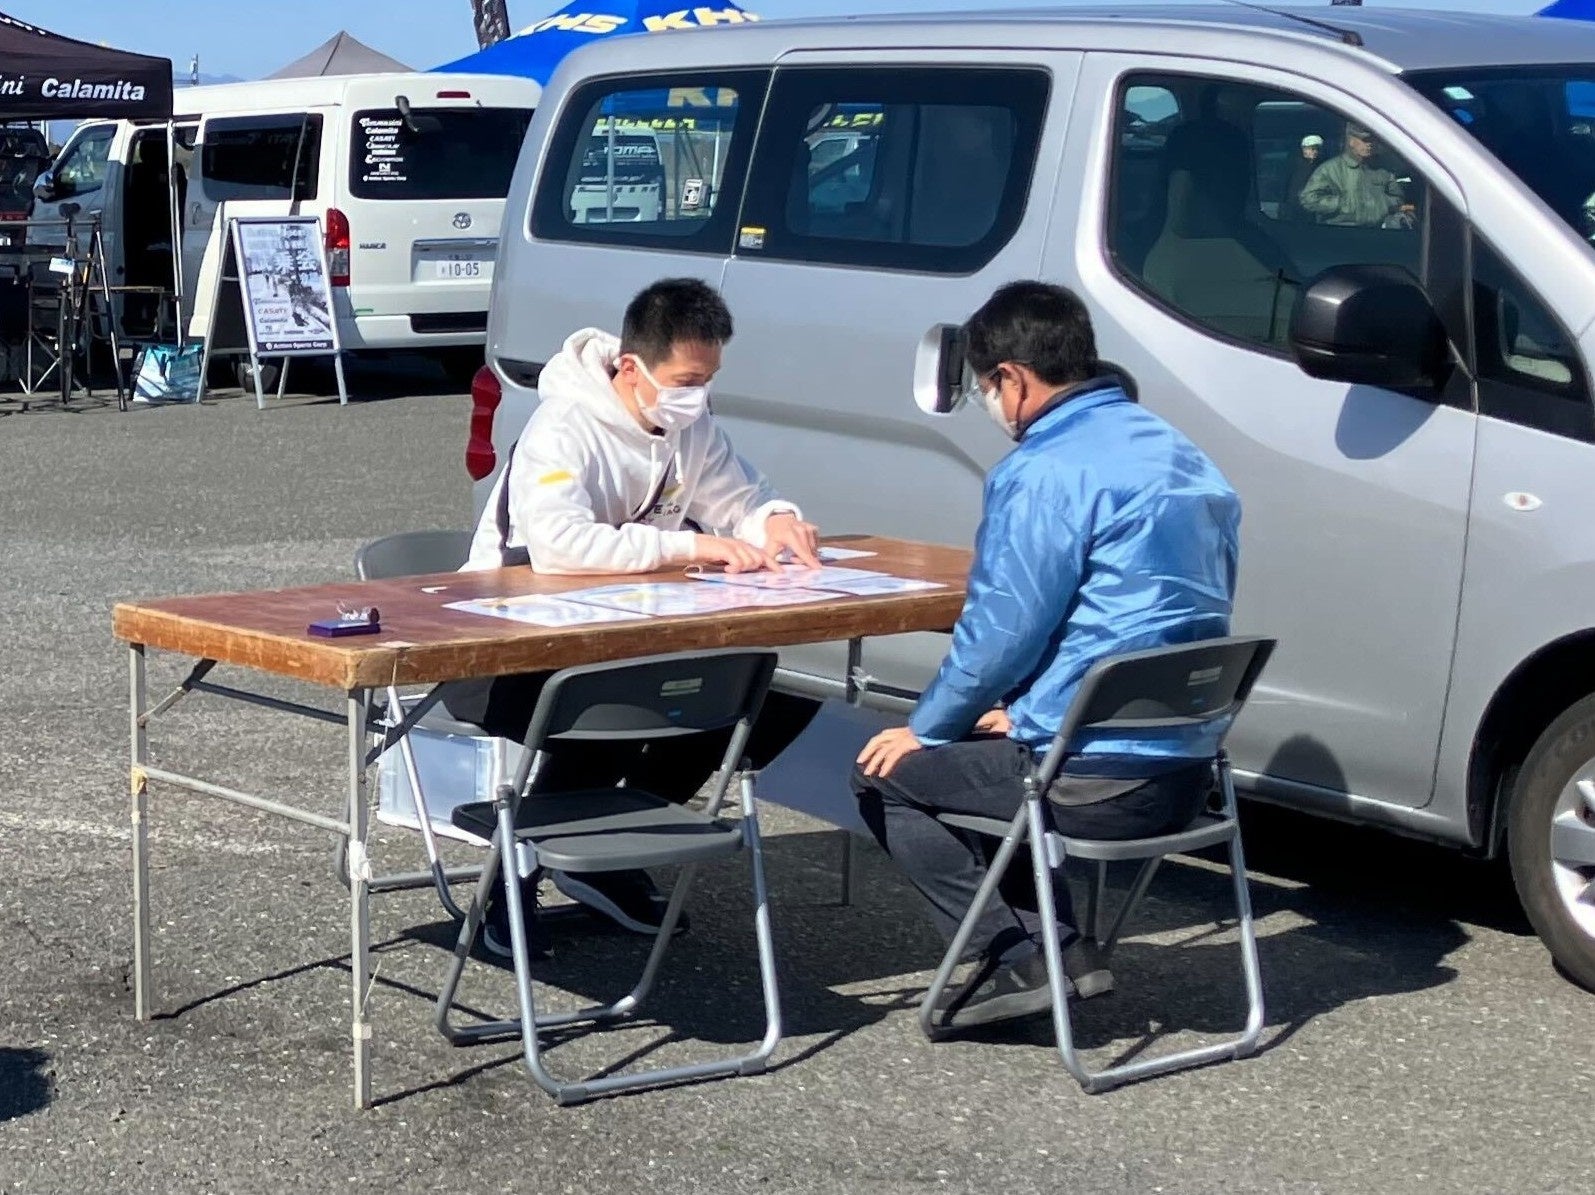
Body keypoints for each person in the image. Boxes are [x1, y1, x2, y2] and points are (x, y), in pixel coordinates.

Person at [852, 281, 1241, 1032]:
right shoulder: (1181, 452)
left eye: (984, 388)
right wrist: (1031, 710)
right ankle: (1060, 953)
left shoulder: (1044, 470)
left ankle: (1020, 956)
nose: (988, 405)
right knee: (988, 743)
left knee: (883, 773)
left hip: (1090, 780)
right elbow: (1153, 620)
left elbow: (1002, 630)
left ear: (1011, 378)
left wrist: (928, 727)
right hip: (1187, 772)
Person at [449, 277, 822, 957]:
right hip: (510, 647)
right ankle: (514, 878)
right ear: (630, 367)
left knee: (761, 702)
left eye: (708, 380)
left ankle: (603, 848)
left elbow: (740, 497)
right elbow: (560, 546)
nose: (696, 397)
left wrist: (776, 520)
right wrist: (692, 546)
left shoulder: (688, 427)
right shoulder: (563, 428)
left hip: (627, 639)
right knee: (614, 712)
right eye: (685, 382)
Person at [1298, 122, 1413, 228]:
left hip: (1376, 233)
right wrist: (1344, 204)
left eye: (1372, 140)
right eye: (1364, 140)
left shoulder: (1384, 171)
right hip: (1338, 232)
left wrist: (1382, 204)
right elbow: (1308, 199)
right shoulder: (1329, 169)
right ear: (1351, 141)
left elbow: (1398, 198)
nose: (1369, 144)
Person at [1281, 133, 1322, 222]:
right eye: (1312, 149)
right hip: (1293, 209)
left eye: (1317, 149)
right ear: (1304, 149)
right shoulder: (1295, 165)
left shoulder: (1319, 166)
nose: (1315, 152)